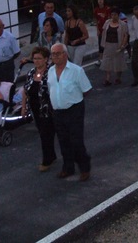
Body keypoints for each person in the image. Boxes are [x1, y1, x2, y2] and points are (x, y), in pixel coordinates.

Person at [47, 43, 92, 181]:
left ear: (65, 54)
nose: (55, 56)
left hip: (74, 110)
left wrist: (73, 99)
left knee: (76, 140)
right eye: (53, 54)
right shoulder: (50, 71)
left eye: (58, 53)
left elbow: (86, 90)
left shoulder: (76, 71)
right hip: (57, 111)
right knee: (63, 140)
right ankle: (68, 167)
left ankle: (84, 168)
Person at [21, 47, 57, 172]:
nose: (36, 61)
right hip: (36, 109)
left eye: (39, 58)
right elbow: (25, 90)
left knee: (47, 134)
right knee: (44, 134)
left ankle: (47, 160)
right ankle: (51, 155)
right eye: (34, 58)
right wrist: (24, 106)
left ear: (46, 59)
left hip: (49, 109)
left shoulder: (51, 72)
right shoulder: (31, 72)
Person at [100, 8, 129, 86]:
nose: (113, 16)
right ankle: (107, 78)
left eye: (115, 15)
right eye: (112, 15)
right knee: (107, 61)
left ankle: (118, 77)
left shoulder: (123, 24)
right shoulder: (107, 22)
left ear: (118, 15)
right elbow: (103, 32)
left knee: (118, 61)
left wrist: (123, 45)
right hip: (108, 44)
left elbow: (125, 35)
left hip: (118, 44)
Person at [0, 18, 20, 83]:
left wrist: (7, 60)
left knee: (7, 86)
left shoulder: (10, 37)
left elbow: (17, 52)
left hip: (6, 67)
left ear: (3, 26)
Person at [93, 0, 111, 66]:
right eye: (99, 0)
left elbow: (109, 19)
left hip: (107, 29)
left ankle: (108, 58)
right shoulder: (96, 10)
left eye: (101, 0)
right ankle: (100, 59)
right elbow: (96, 21)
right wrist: (97, 30)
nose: (100, 1)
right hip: (100, 29)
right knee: (100, 44)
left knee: (108, 44)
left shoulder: (107, 9)